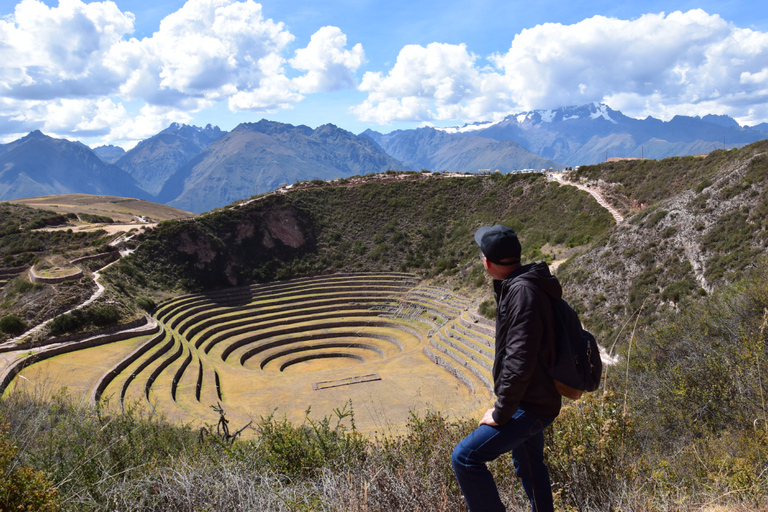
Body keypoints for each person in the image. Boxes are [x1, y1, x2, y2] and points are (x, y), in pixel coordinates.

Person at [452, 224, 562, 512]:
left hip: (531, 404)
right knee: (529, 465)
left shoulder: (522, 293)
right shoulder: (521, 284)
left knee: (465, 458)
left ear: (487, 262)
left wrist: (501, 413)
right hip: (533, 398)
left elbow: (518, 361)